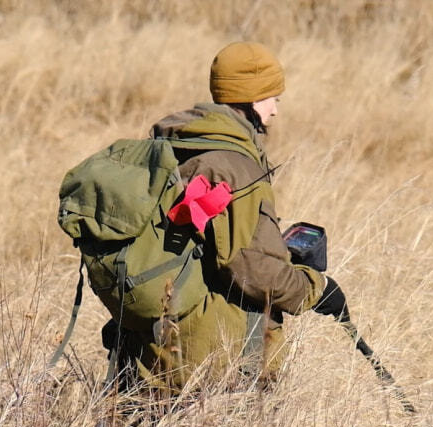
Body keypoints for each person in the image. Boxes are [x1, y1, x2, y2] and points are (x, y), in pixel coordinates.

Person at [97, 41, 348, 392]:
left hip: (144, 346)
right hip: (208, 363)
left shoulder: (173, 146)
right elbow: (251, 268)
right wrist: (315, 289)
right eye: (272, 98)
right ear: (251, 99)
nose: (275, 110)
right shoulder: (234, 167)